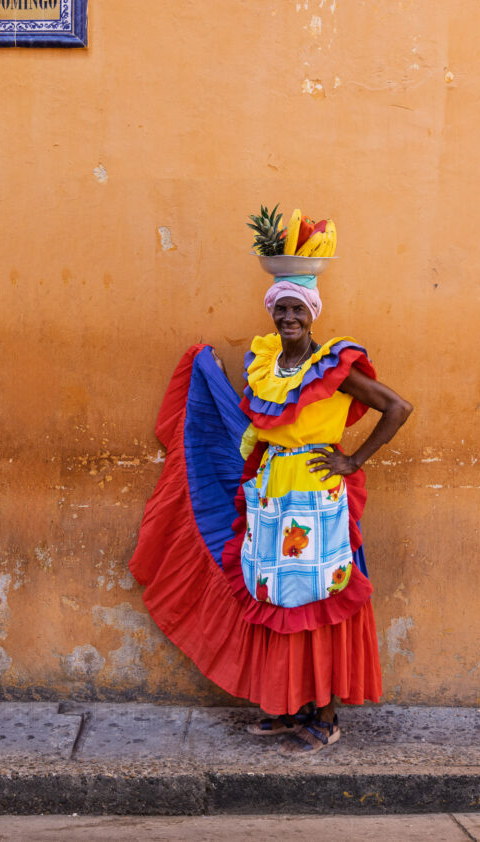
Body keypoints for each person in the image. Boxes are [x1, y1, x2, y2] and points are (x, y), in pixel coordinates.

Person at [130, 272, 412, 754]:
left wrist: (353, 461)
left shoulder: (332, 366)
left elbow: (398, 407)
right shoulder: (267, 366)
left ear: (312, 313)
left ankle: (326, 717)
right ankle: (292, 705)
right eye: (281, 308)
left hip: (317, 496)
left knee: (321, 595)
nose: (288, 317)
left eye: (297, 309)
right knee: (278, 595)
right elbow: (258, 429)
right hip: (273, 496)